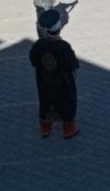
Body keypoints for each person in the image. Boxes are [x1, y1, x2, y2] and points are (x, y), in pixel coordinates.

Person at [30, 9, 80, 138]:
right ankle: (69, 129)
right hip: (62, 82)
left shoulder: (39, 45)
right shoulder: (63, 46)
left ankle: (45, 128)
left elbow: (33, 60)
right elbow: (73, 64)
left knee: (45, 102)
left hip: (44, 80)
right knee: (66, 102)